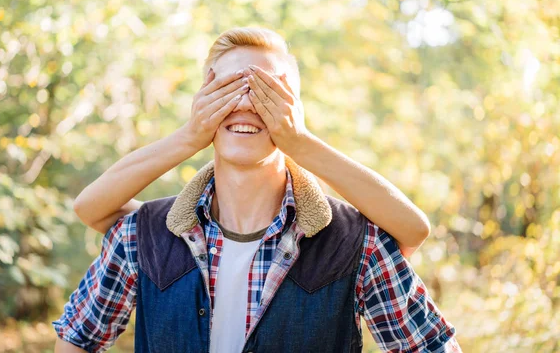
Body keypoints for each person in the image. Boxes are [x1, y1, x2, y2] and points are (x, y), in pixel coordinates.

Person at [53, 27, 461, 352]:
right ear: (202, 104)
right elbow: (76, 337)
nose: (247, 104)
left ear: (294, 111)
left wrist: (298, 141)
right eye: (228, 90)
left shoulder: (357, 243)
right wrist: (191, 135)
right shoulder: (141, 235)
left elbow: (431, 344)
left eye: (267, 92)